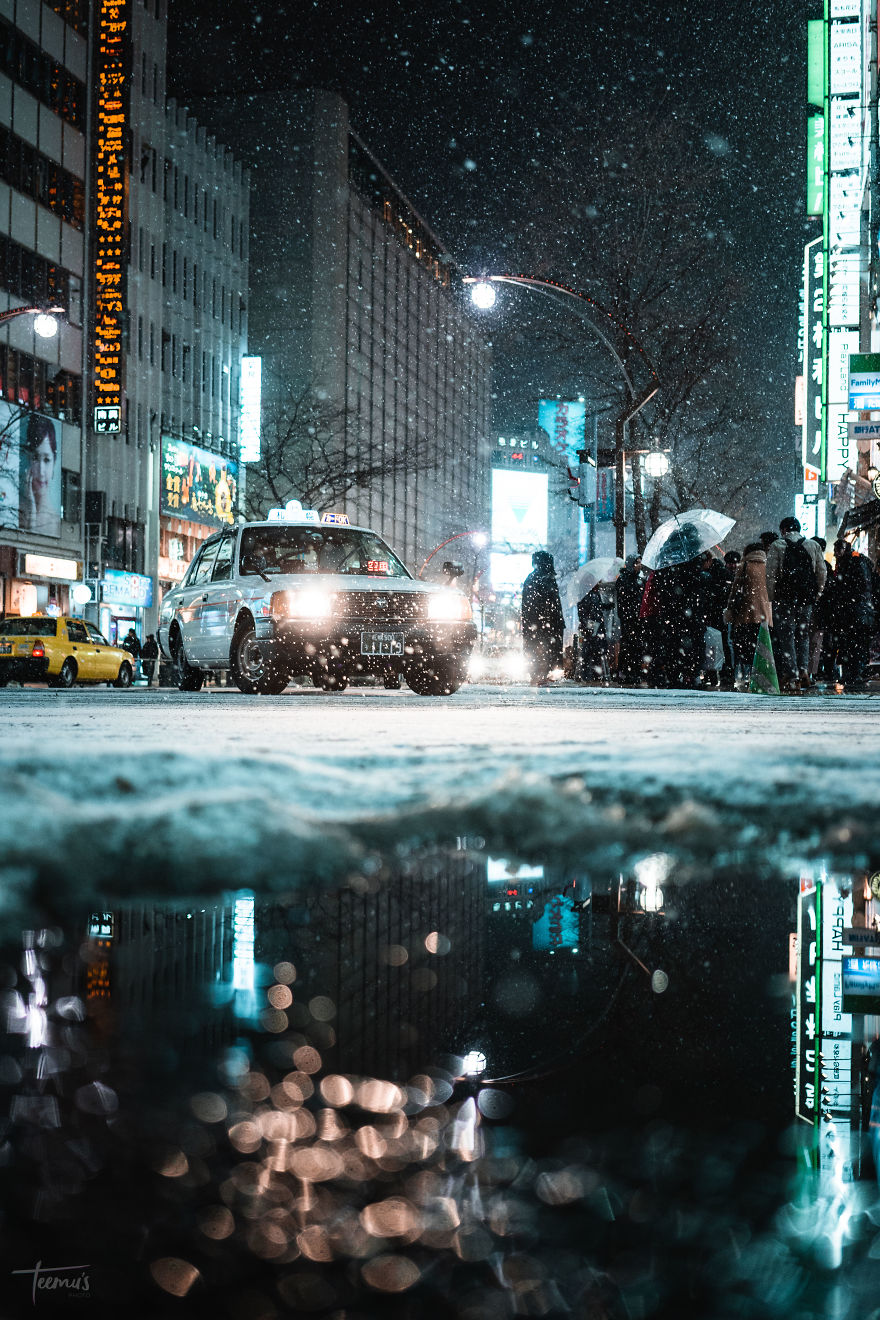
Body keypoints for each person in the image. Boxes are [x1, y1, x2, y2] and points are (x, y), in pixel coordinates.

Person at [765, 516, 827, 694]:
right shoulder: (812, 545)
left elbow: (771, 575)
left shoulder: (778, 545)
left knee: (787, 636)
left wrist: (772, 597)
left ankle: (791, 675)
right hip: (806, 598)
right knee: (803, 635)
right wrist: (817, 593)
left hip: (784, 598)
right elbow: (821, 572)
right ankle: (804, 672)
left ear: (784, 530)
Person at [723, 542, 772, 686]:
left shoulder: (744, 566)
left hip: (746, 613)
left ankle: (748, 675)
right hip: (765, 614)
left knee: (746, 647)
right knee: (762, 647)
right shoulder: (769, 566)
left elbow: (735, 590)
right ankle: (762, 677)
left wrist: (730, 609)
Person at [832, 538, 874, 691]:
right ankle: (855, 673)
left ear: (843, 550)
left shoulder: (852, 562)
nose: (836, 555)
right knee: (855, 643)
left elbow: (853, 586)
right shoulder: (859, 560)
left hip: (854, 610)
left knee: (853, 643)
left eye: (837, 552)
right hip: (859, 609)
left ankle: (855, 673)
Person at [521, 550, 565, 686]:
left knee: (537, 649)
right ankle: (541, 674)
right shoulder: (546, 579)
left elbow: (528, 605)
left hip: (536, 623)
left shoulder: (532, 578)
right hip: (546, 623)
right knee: (546, 649)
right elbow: (553, 603)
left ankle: (538, 674)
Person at [19, 414, 60, 536]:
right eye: (36, 458)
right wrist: (31, 505)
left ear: (54, 463)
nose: (41, 471)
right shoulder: (13, 512)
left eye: (47, 460)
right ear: (28, 459)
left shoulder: (57, 523)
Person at [615, 555, 646, 684]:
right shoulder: (624, 580)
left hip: (636, 618)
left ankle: (633, 671)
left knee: (636, 646)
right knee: (628, 645)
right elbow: (624, 601)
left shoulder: (638, 580)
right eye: (637, 563)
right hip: (629, 618)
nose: (639, 565)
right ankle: (625, 672)